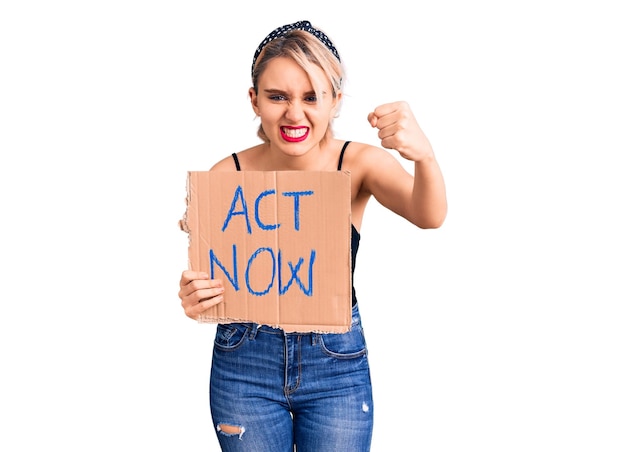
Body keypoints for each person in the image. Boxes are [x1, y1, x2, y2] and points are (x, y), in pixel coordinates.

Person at [178, 20, 447, 451]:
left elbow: (428, 215)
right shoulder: (227, 175)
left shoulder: (358, 164)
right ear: (255, 100)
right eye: (277, 96)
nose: (294, 113)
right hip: (244, 362)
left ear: (335, 101)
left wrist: (425, 156)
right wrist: (195, 297)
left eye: (311, 97)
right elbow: (208, 278)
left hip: (335, 363)